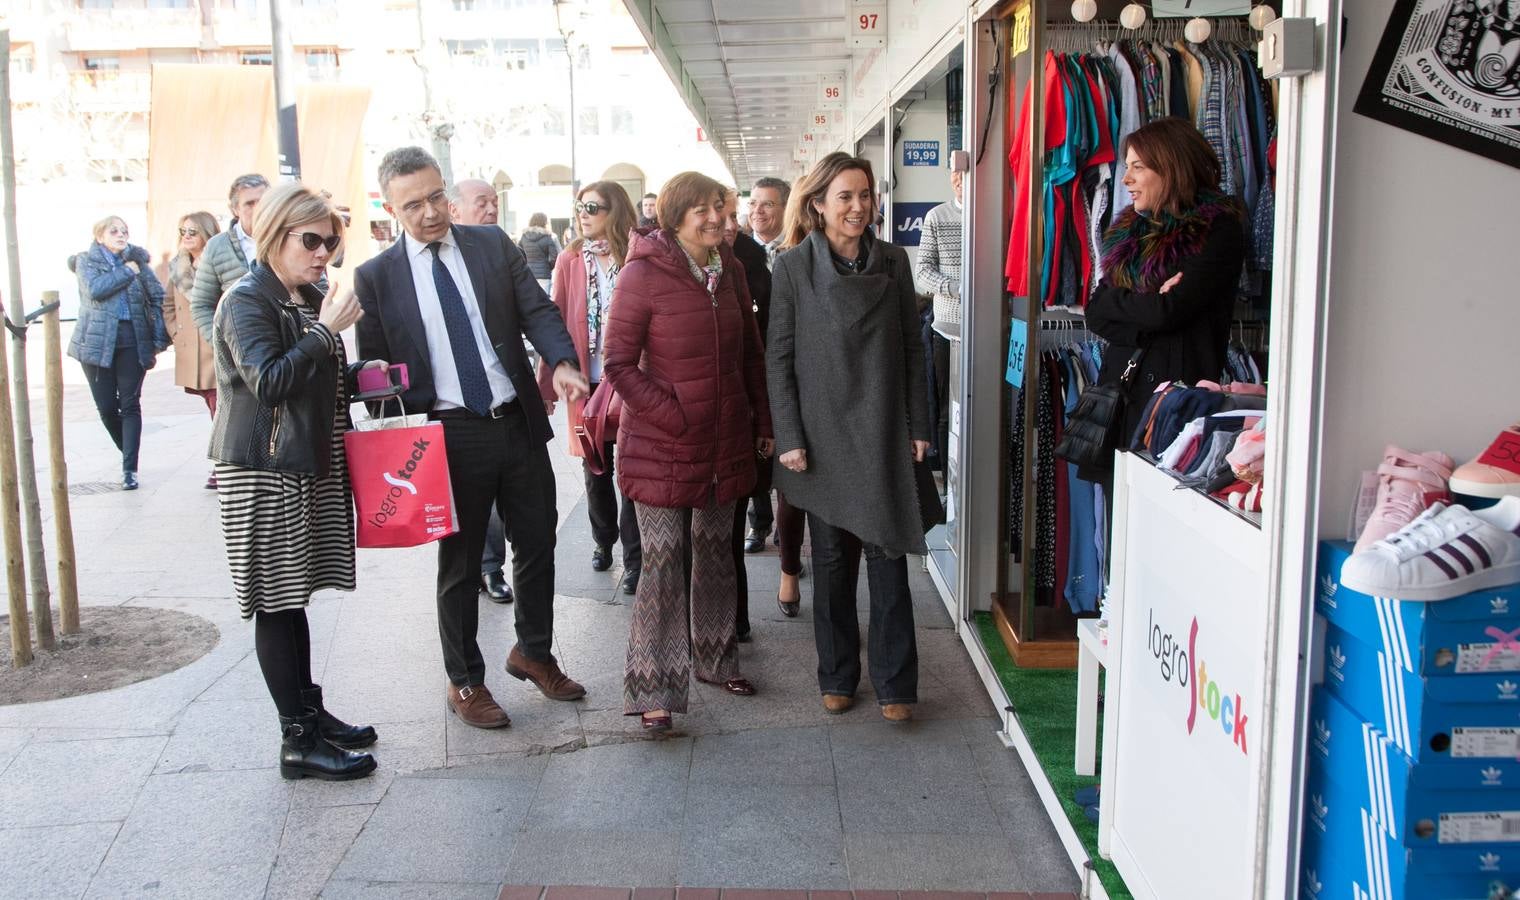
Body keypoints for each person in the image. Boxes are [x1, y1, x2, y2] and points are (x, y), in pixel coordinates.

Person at [354, 147, 590, 730]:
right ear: (391, 207)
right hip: (445, 436)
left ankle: (534, 651)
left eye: (437, 197)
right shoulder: (377, 276)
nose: (431, 213)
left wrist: (560, 360)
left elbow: (536, 310)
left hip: (514, 420)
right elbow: (375, 365)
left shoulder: (489, 246)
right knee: (459, 563)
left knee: (537, 543)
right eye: (414, 205)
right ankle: (465, 681)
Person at [209, 182, 383, 780]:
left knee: (294, 597)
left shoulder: (299, 295)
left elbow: (311, 378)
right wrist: (325, 333)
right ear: (275, 233)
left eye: (332, 243)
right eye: (312, 241)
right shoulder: (246, 299)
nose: (324, 255)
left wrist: (364, 374)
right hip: (262, 469)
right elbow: (269, 382)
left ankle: (309, 712)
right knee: (276, 605)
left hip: (301, 463)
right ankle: (297, 741)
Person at [603, 171, 772, 733]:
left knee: (714, 546)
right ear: (675, 216)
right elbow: (618, 366)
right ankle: (653, 686)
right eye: (702, 209)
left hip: (724, 438)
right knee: (663, 555)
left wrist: (761, 420)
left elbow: (752, 355)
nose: (717, 218)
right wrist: (675, 415)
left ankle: (717, 658)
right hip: (660, 442)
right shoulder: (642, 273)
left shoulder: (732, 271)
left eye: (721, 207)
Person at [767, 151, 931, 723]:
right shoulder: (791, 269)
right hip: (820, 435)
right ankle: (836, 675)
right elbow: (779, 359)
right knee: (833, 563)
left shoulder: (894, 260)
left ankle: (896, 685)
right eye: (845, 197)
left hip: (885, 429)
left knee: (889, 559)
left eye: (865, 196)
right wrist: (788, 435)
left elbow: (914, 347)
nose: (858, 207)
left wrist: (920, 426)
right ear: (818, 204)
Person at [1083, 118, 1246, 487]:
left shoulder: (1215, 229)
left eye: (1138, 167)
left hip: (1176, 408)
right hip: (1124, 399)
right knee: (1119, 522)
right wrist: (1151, 300)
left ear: (1171, 167)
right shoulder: (1131, 233)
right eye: (1127, 167)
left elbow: (1169, 311)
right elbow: (1096, 312)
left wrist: (1138, 304)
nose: (1126, 180)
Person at [537, 181, 643, 595]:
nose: (584, 213)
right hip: (587, 381)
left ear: (614, 210)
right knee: (596, 468)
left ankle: (635, 560)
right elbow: (556, 318)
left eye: (593, 207)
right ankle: (603, 541)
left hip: (630, 380)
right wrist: (547, 384)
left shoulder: (636, 254)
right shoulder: (569, 259)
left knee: (632, 470)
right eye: (580, 207)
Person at [447, 177, 513, 605]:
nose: (491, 210)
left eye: (494, 202)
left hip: (508, 405)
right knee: (476, 510)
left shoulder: (502, 249)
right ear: (455, 210)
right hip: (457, 414)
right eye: (481, 203)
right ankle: (489, 568)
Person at [67, 216, 169, 491]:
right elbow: (95, 290)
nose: (121, 235)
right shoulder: (85, 261)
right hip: (96, 345)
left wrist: (159, 336)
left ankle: (129, 469)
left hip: (132, 341)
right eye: (114, 231)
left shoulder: (139, 262)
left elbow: (158, 297)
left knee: (130, 403)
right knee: (107, 408)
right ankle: (127, 449)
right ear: (99, 236)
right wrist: (127, 271)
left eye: (124, 230)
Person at [745, 175, 807, 614]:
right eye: (754, 204)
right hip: (756, 375)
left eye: (767, 204)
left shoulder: (801, 249)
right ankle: (760, 524)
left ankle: (789, 560)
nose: (758, 211)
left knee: (791, 475)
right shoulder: (739, 253)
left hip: (795, 376)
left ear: (786, 208)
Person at [722, 189, 771, 641]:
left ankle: (735, 621)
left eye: (728, 213)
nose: (727, 221)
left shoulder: (743, 265)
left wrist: (765, 420)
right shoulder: (652, 271)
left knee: (731, 525)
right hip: (679, 430)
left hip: (738, 415)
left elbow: (759, 352)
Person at [157, 211, 222, 489]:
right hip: (192, 350)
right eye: (182, 230)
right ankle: (222, 464)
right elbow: (169, 305)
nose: (186, 236)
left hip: (217, 347)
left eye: (192, 231)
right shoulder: (177, 267)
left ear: (207, 233)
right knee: (214, 407)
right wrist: (176, 332)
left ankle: (223, 465)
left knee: (221, 408)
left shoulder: (219, 263)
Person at [914, 169, 963, 473]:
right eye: (954, 172)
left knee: (989, 409)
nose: (959, 177)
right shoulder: (937, 216)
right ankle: (951, 486)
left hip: (992, 331)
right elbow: (922, 274)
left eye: (964, 171)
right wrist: (957, 288)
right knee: (948, 410)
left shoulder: (1000, 211)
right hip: (947, 330)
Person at [191, 173, 269, 342]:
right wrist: (222, 345)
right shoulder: (217, 247)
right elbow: (201, 304)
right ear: (235, 209)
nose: (258, 208)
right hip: (242, 350)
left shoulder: (291, 238)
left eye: (262, 201)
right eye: (250, 203)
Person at [519, 212, 561, 292]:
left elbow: (518, 253)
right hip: (544, 276)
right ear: (544, 223)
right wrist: (548, 267)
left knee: (530, 301)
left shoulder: (524, 237)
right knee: (544, 302)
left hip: (528, 274)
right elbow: (554, 256)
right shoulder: (547, 237)